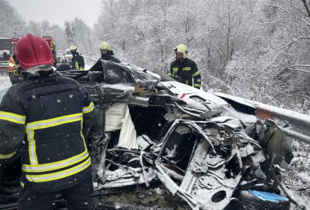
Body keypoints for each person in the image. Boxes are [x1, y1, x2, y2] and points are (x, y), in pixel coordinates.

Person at [0, 33, 98, 210]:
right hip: (79, 169)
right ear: (51, 57)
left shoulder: (17, 96)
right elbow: (92, 118)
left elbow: (6, 144)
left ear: (20, 62)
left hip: (41, 177)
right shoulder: (74, 86)